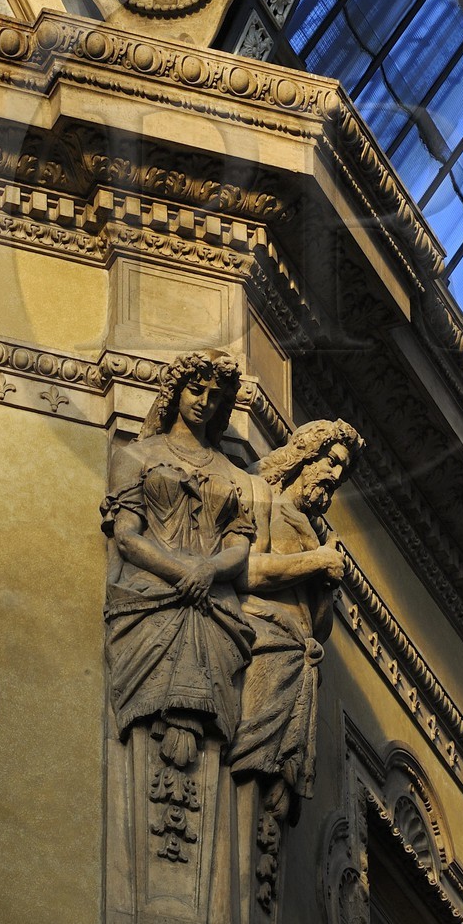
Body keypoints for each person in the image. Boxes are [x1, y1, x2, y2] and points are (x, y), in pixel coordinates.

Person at [101, 350, 256, 768]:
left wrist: (208, 570)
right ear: (175, 391)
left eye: (215, 395)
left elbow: (238, 548)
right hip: (150, 596)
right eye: (195, 389)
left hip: (216, 607)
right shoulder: (136, 457)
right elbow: (128, 537)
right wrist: (185, 574)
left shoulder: (235, 476)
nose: (204, 401)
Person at [229, 419, 363, 819]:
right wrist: (315, 561)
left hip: (300, 662)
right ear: (306, 454)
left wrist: (324, 585)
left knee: (275, 794)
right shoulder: (261, 497)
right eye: (331, 461)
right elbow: (244, 572)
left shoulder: (311, 528)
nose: (335, 475)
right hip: (264, 645)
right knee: (247, 773)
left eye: (341, 471)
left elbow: (316, 627)